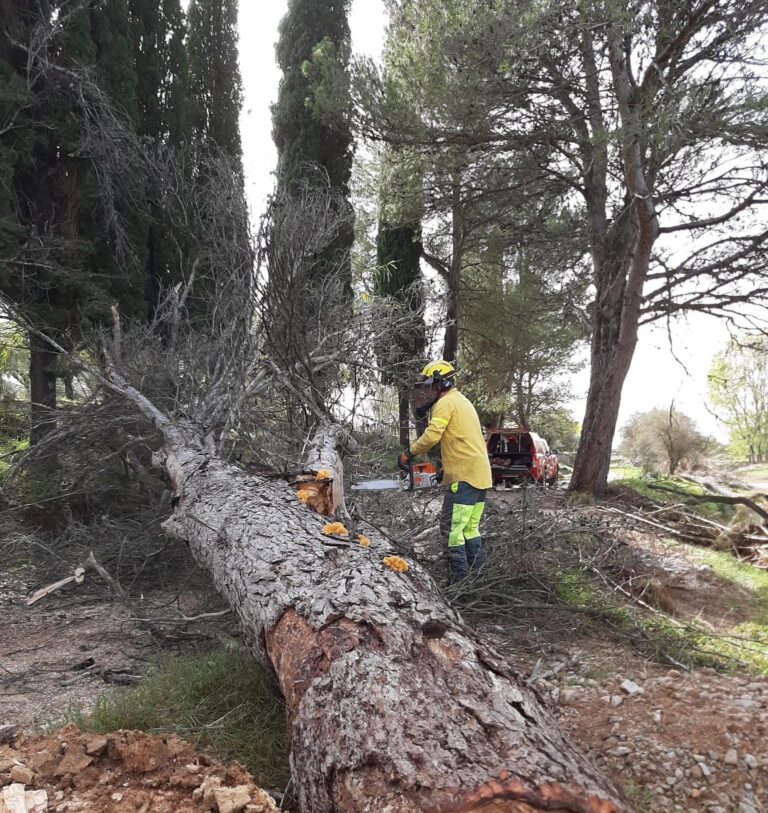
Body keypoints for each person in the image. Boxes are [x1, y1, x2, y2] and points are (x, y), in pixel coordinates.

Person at [398, 360, 492, 583]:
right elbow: (462, 441)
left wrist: (408, 454)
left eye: (430, 386)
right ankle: (478, 581)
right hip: (479, 475)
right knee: (470, 529)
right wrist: (444, 469)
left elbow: (432, 436)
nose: (427, 391)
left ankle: (459, 584)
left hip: (465, 477)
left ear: (442, 383)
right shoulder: (462, 402)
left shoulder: (445, 403)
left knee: (451, 530)